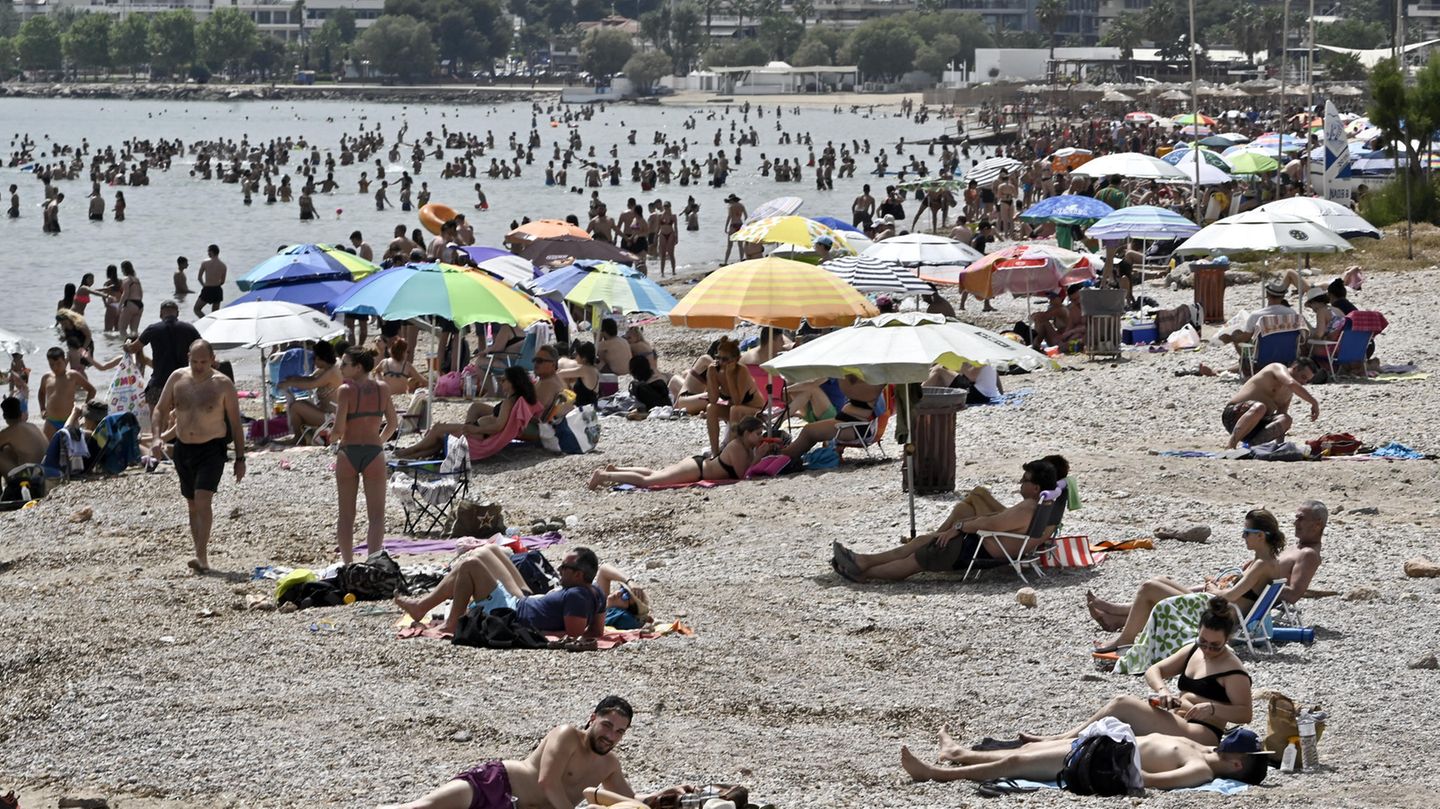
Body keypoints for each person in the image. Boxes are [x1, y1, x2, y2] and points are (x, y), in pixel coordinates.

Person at [1026, 597, 1254, 747]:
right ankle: (1063, 741)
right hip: (1178, 717)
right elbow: (1154, 670)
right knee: (1119, 724)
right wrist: (1163, 690)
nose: (1207, 649)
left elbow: (1245, 714)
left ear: (1227, 640)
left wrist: (1212, 709)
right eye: (1203, 641)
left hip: (1203, 733)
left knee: (1122, 705)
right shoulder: (1194, 650)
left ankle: (1060, 740)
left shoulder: (1233, 671)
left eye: (1215, 645)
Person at [1092, 510, 1284, 671]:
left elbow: (1229, 597)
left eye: (1246, 532)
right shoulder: (1268, 562)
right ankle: (1118, 618)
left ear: (1261, 535)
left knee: (1149, 587)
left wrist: (1214, 588)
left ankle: (1124, 638)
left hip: (1220, 612)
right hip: (1223, 608)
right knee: (1161, 580)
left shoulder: (1261, 564)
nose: (1243, 537)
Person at [378, 696, 648, 809]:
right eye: (607, 726)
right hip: (495, 784)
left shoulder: (609, 765)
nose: (610, 736)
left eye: (619, 732)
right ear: (592, 718)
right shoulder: (566, 735)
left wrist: (667, 796)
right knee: (422, 808)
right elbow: (548, 782)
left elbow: (629, 801)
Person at [832, 459, 1057, 582]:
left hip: (974, 550)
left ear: (1036, 487)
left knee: (915, 559)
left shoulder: (1028, 508)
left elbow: (990, 525)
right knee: (920, 542)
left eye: (1025, 480)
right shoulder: (1045, 506)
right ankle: (864, 560)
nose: (1020, 482)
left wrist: (958, 528)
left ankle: (864, 572)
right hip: (979, 547)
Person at [901, 723, 1268, 789]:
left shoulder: (1200, 770)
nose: (1226, 740)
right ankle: (959, 753)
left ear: (1236, 763)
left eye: (1233, 745)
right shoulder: (1205, 751)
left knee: (1015, 764)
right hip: (1103, 743)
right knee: (1027, 750)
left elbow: (1150, 780)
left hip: (1100, 759)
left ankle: (936, 774)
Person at [152, 339, 245, 573]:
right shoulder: (177, 378)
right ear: (188, 357)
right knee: (192, 504)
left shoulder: (223, 385)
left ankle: (202, 557)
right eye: (194, 361)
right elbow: (160, 409)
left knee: (203, 499)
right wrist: (156, 437)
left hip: (212, 449)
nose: (199, 366)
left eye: (204, 361)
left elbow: (236, 423)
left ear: (212, 360)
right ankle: (199, 552)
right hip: (184, 448)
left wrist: (240, 459)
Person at [396, 547, 604, 638]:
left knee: (470, 564)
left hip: (510, 612)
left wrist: (533, 632)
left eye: (564, 568)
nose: (559, 570)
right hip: (524, 600)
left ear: (578, 575)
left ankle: (452, 623)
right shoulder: (595, 592)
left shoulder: (577, 596)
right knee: (490, 550)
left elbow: (572, 635)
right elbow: (596, 632)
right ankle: (421, 606)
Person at [333, 347, 398, 566]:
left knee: (346, 516)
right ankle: (372, 563)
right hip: (373, 453)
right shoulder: (382, 388)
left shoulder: (345, 390)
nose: (340, 368)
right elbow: (393, 423)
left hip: (349, 451)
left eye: (345, 364)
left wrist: (327, 436)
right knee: (377, 516)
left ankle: (349, 565)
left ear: (358, 367)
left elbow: (339, 428)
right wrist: (378, 440)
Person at [393, 366, 537, 460]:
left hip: (480, 435)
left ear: (513, 382)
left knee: (438, 428)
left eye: (504, 380)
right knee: (439, 438)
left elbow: (498, 426)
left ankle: (409, 451)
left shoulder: (509, 402)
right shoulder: (514, 400)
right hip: (480, 432)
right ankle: (411, 456)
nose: (501, 383)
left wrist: (474, 428)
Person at [588, 416, 772, 489]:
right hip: (698, 469)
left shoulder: (747, 446)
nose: (760, 437)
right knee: (649, 481)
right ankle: (604, 475)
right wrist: (759, 456)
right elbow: (742, 475)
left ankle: (618, 470)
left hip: (698, 465)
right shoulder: (737, 447)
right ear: (747, 434)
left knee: (656, 473)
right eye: (757, 434)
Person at [126, 300, 201, 457]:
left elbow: (134, 348)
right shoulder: (189, 328)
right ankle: (181, 447)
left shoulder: (153, 329)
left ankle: (157, 450)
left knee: (158, 419)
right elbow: (202, 349)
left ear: (161, 313)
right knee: (182, 418)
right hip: (184, 382)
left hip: (159, 382)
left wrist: (126, 344)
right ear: (177, 313)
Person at [778, 374, 885, 463]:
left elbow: (848, 387)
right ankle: (784, 454)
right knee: (809, 431)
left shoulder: (870, 387)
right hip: (853, 424)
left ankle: (783, 456)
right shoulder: (872, 384)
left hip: (857, 428)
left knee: (809, 431)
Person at [1222, 358, 1319, 449]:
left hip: (1254, 427)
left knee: (1286, 419)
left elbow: (1280, 419)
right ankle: (1231, 445)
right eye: (1303, 377)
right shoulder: (1276, 367)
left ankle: (1253, 446)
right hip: (1233, 416)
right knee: (1260, 407)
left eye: (1307, 380)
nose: (1303, 382)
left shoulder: (1288, 393)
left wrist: (1280, 445)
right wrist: (1314, 403)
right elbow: (1291, 383)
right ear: (1295, 368)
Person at [704, 337, 762, 457]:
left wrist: (729, 375)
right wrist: (710, 375)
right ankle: (715, 452)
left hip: (756, 411)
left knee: (735, 409)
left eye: (725, 359)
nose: (720, 362)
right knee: (711, 408)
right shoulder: (715, 370)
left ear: (736, 360)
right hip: (736, 411)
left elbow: (737, 401)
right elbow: (713, 400)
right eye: (717, 358)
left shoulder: (742, 371)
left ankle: (729, 454)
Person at [278, 339, 342, 443]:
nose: (314, 362)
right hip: (325, 413)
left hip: (332, 418)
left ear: (320, 358)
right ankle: (301, 437)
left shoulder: (333, 371)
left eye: (315, 358)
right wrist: (292, 379)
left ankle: (298, 438)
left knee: (295, 407)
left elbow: (312, 384)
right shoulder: (328, 367)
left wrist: (290, 383)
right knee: (299, 403)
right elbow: (310, 378)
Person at [37, 347, 96, 438]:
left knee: (73, 448)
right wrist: (42, 409)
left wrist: (85, 407)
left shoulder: (72, 375)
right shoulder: (46, 377)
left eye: (58, 363)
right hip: (51, 421)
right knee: (48, 448)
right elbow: (41, 393)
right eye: (51, 364)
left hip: (70, 419)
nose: (55, 367)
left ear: (65, 360)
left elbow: (92, 390)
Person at [1277, 500, 1327, 603]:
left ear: (1318, 524)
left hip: (1244, 605)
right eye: (1296, 518)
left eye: (1301, 519)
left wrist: (1257, 582)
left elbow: (1293, 595)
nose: (1295, 523)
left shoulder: (1308, 554)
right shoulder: (1296, 548)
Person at [0, 396, 47, 477]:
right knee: (7, 450)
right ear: (21, 413)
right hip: (45, 470)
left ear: (4, 416)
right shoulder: (32, 426)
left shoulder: (8, 432)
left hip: (29, 476)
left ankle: (10, 487)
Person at [557, 342, 601, 408]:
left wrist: (567, 390)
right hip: (591, 406)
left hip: (584, 410)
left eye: (576, 354)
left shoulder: (584, 369)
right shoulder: (592, 368)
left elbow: (559, 374)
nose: (574, 355)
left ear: (584, 358)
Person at [194, 244, 227, 318]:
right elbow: (223, 281)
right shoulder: (223, 266)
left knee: (196, 309)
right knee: (214, 315)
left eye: (208, 252)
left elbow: (199, 277)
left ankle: (205, 321)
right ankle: (212, 326)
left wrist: (204, 285)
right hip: (217, 289)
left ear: (211, 252)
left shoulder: (205, 263)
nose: (208, 253)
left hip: (207, 289)